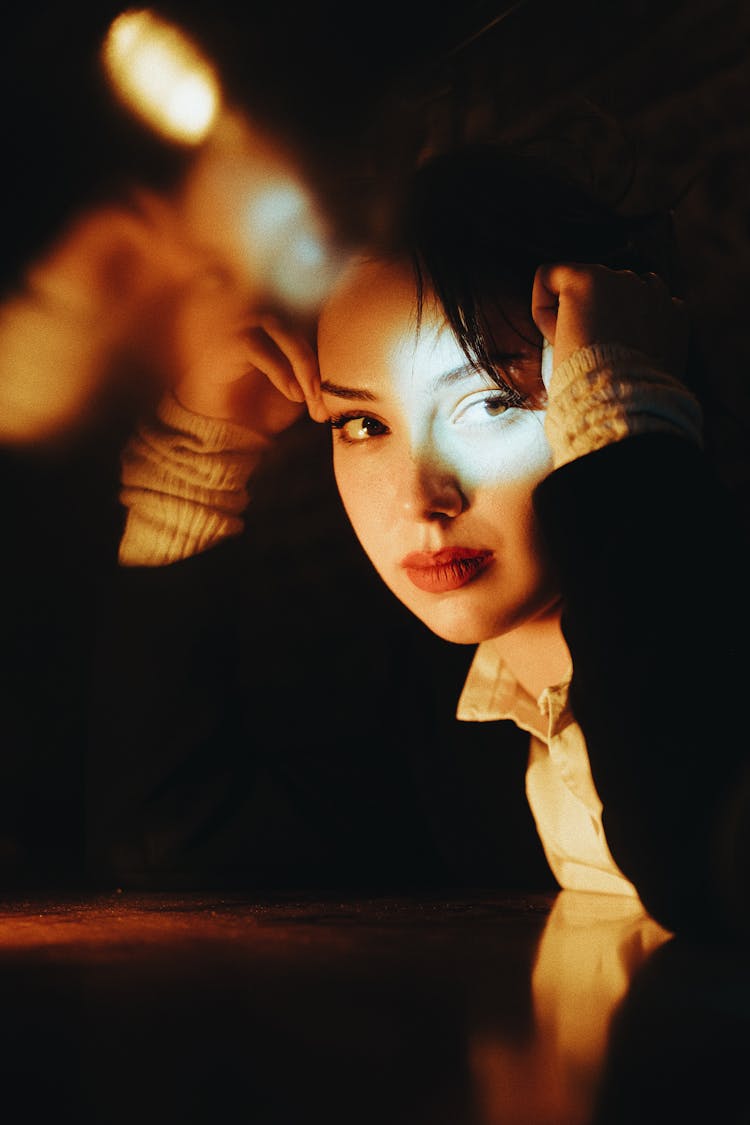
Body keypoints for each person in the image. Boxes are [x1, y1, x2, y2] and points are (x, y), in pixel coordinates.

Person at [94, 138, 750, 939]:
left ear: (606, 380)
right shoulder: (449, 737)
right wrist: (188, 473)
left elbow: (709, 864)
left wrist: (623, 424)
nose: (421, 498)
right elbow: (174, 837)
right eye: (364, 423)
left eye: (493, 404)